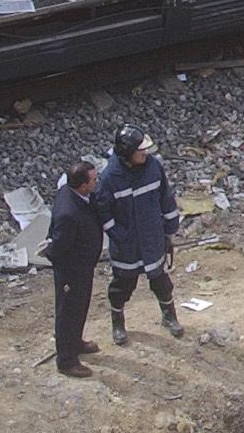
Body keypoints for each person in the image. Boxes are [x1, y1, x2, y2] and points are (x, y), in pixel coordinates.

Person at [95, 124, 183, 344]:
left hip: (153, 238)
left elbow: (165, 197)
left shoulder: (153, 167)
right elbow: (103, 213)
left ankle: (169, 316)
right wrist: (119, 236)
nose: (145, 153)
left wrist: (170, 227)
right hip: (127, 245)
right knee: (122, 285)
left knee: (160, 280)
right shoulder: (109, 178)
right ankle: (118, 322)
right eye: (140, 150)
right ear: (126, 153)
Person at [43, 159, 103, 377]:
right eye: (94, 180)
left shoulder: (77, 195)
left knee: (80, 306)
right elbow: (58, 247)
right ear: (83, 185)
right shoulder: (69, 213)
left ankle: (76, 342)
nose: (97, 182)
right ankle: (67, 360)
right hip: (71, 271)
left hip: (83, 267)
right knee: (68, 312)